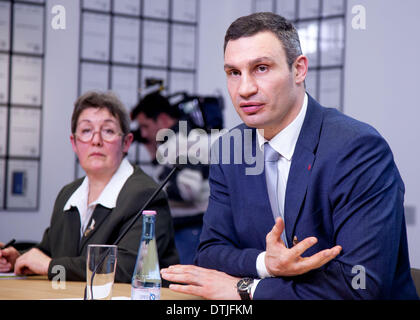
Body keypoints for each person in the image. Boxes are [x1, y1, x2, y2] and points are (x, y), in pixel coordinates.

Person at [160, 12, 419, 299]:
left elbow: (360, 285)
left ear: (299, 70)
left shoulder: (357, 149)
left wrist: (247, 289)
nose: (244, 89)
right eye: (234, 73)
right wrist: (265, 264)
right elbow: (209, 254)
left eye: (261, 68)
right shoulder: (229, 148)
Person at [0, 91, 179, 284]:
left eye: (108, 131)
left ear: (126, 143)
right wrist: (19, 258)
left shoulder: (146, 195)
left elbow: (129, 269)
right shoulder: (69, 194)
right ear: (74, 143)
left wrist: (52, 267)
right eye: (86, 131)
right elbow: (50, 251)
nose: (96, 140)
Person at [131, 91, 210, 265]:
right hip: (185, 229)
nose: (143, 134)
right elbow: (169, 176)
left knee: (183, 288)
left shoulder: (184, 141)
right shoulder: (173, 142)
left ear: (163, 119)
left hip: (191, 230)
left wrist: (152, 193)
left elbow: (188, 190)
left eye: (145, 126)